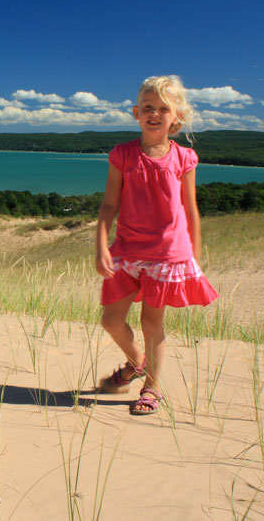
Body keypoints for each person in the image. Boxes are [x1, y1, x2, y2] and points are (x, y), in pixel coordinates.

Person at [95, 75, 218, 415]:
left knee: (152, 324)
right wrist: (100, 244)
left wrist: (193, 257)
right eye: (147, 107)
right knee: (110, 319)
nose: (154, 114)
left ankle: (152, 387)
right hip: (127, 250)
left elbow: (190, 209)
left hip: (168, 254)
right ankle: (137, 362)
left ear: (175, 117)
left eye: (163, 108)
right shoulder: (122, 155)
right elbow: (109, 204)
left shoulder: (184, 158)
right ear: (136, 112)